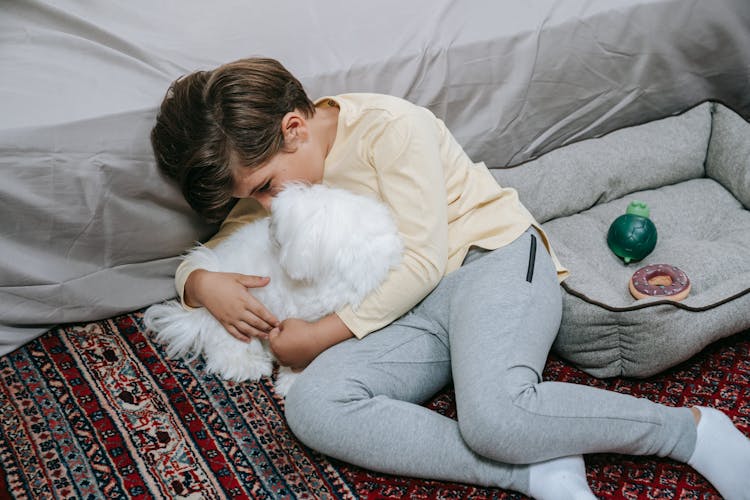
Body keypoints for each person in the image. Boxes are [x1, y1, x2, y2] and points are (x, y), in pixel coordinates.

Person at [151, 57, 750, 499]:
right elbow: (208, 252)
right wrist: (203, 285)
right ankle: (532, 471)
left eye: (262, 189)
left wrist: (320, 335)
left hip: (491, 262)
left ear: (294, 129)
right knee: (314, 405)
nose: (264, 204)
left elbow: (421, 261)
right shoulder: (276, 171)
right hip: (409, 314)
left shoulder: (391, 127)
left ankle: (691, 431)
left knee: (498, 417)